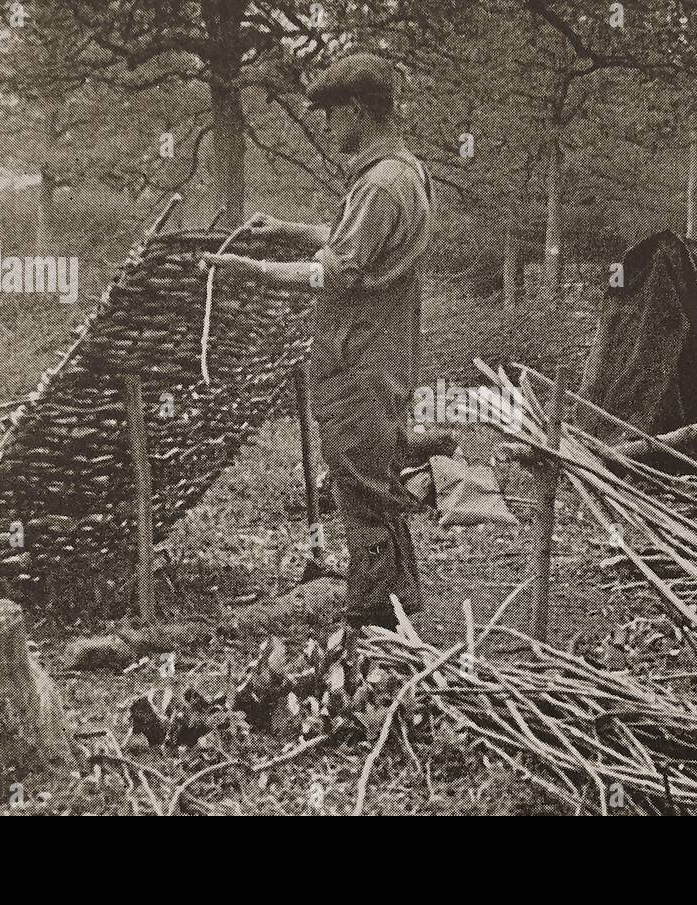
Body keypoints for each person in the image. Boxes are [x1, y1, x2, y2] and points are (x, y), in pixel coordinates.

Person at [202, 52, 433, 629]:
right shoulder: (400, 173)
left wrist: (253, 270)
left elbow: (337, 269)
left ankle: (370, 620)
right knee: (375, 481)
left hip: (358, 359)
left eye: (332, 117)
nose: (329, 130)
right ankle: (401, 602)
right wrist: (285, 230)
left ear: (357, 111)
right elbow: (351, 240)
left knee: (358, 486)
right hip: (377, 354)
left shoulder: (381, 184)